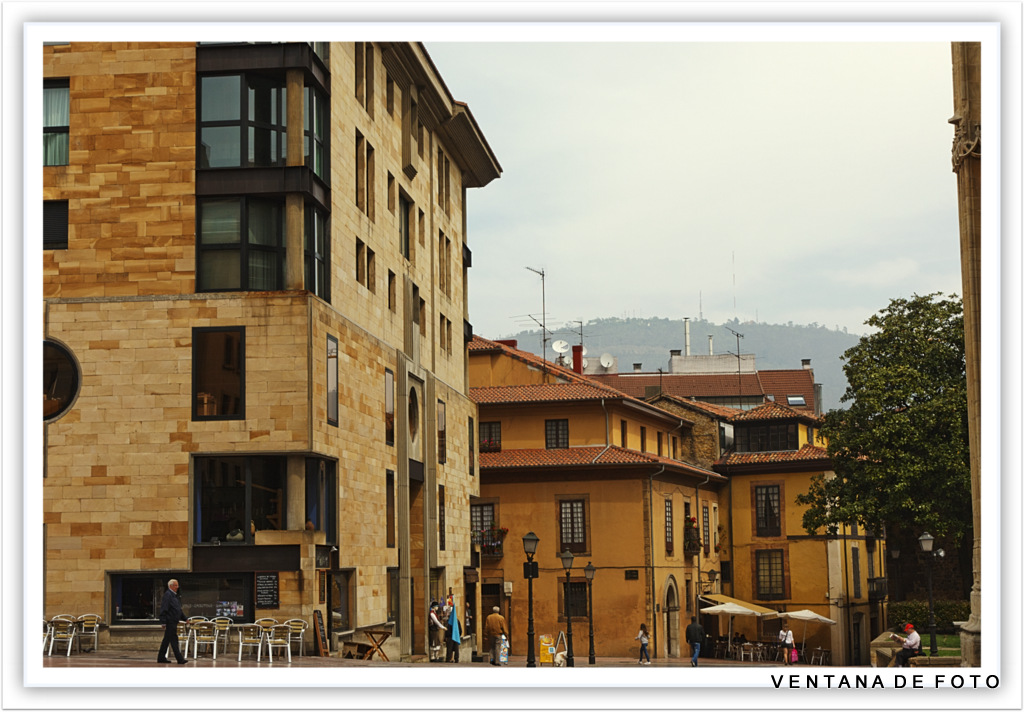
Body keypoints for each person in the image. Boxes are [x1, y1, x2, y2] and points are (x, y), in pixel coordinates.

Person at [156, 579, 188, 664]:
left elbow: (178, 610)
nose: (177, 587)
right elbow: (164, 609)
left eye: (177, 585)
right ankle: (179, 659)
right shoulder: (168, 595)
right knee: (174, 640)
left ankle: (161, 657)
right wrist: (163, 621)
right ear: (170, 586)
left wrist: (185, 619)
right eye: (175, 585)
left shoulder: (174, 596)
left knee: (167, 640)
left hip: (174, 621)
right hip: (170, 621)